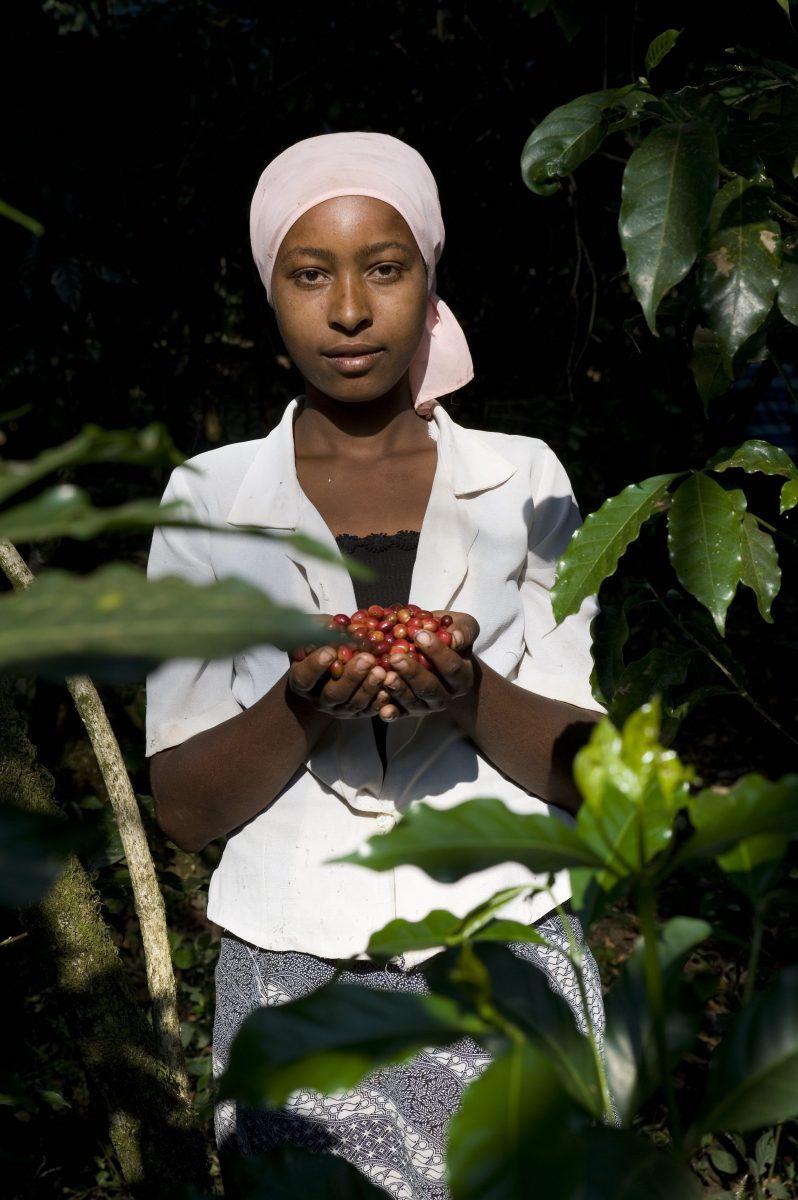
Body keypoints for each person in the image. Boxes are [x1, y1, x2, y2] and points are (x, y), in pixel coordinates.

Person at [145, 130, 608, 1200]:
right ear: (273, 293)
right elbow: (184, 804)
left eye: (384, 268)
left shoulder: (525, 478)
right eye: (311, 275)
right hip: (292, 976)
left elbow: (590, 772)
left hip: (510, 952)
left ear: (428, 280)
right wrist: (302, 706)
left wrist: (472, 691)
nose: (349, 309)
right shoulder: (211, 498)